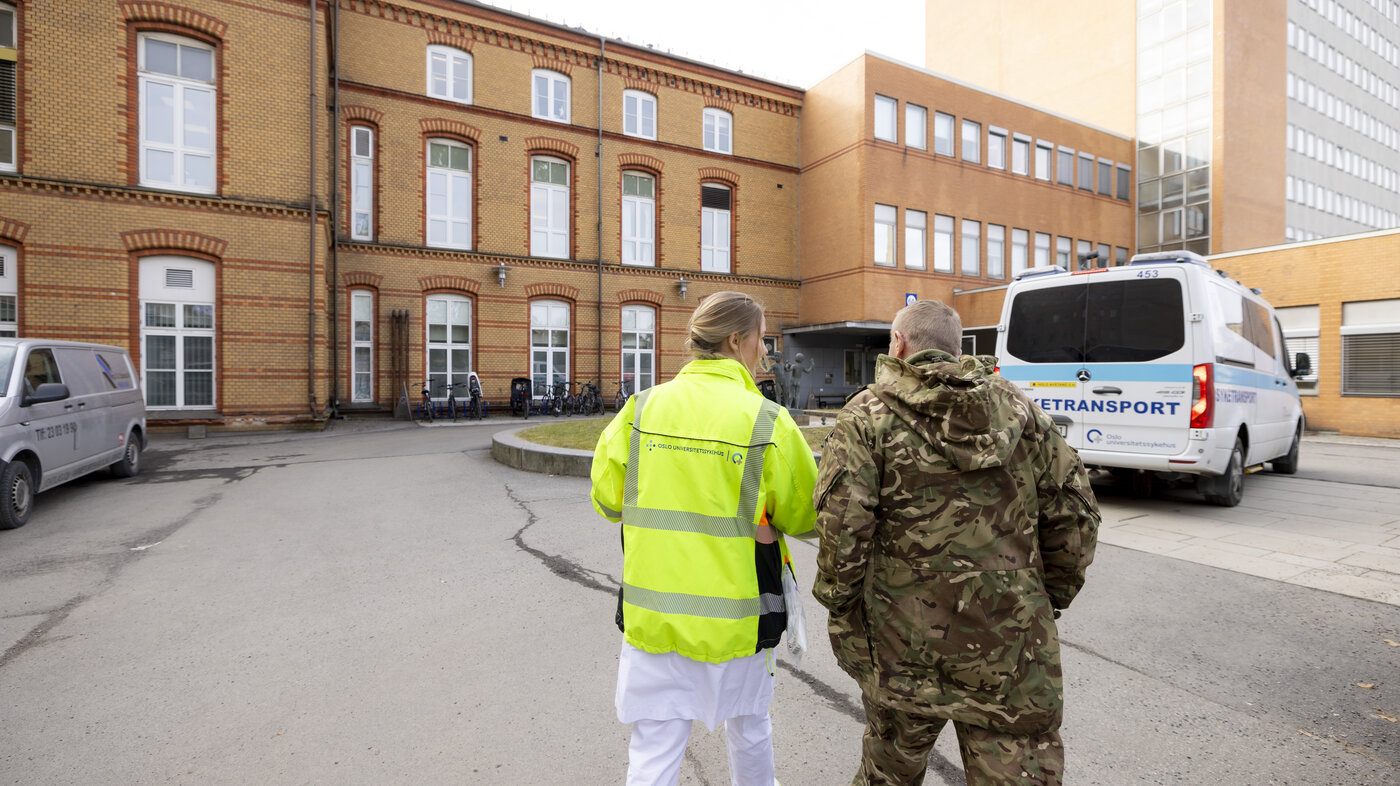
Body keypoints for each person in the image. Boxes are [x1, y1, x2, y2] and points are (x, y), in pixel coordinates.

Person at [811, 299, 1100, 786]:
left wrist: (842, 608)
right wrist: (1044, 598)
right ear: (956, 347)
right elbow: (1074, 517)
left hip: (901, 643)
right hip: (1011, 647)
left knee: (888, 772)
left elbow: (843, 531)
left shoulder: (866, 417)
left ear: (898, 345)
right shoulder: (1024, 413)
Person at [591, 291, 819, 786]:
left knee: (652, 756)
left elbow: (608, 500)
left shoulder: (641, 410)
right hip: (738, 625)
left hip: (655, 624)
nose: (764, 352)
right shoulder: (766, 421)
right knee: (751, 734)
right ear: (736, 340)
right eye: (761, 339)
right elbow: (805, 516)